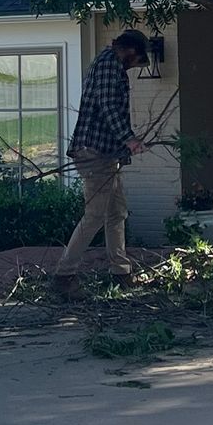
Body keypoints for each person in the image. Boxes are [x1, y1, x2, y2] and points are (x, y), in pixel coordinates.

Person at [52, 28, 149, 288]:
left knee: (117, 212)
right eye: (136, 60)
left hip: (105, 154)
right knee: (95, 215)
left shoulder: (107, 61)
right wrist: (129, 139)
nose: (132, 67)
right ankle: (64, 275)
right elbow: (108, 106)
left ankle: (121, 272)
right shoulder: (109, 65)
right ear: (130, 51)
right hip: (93, 152)